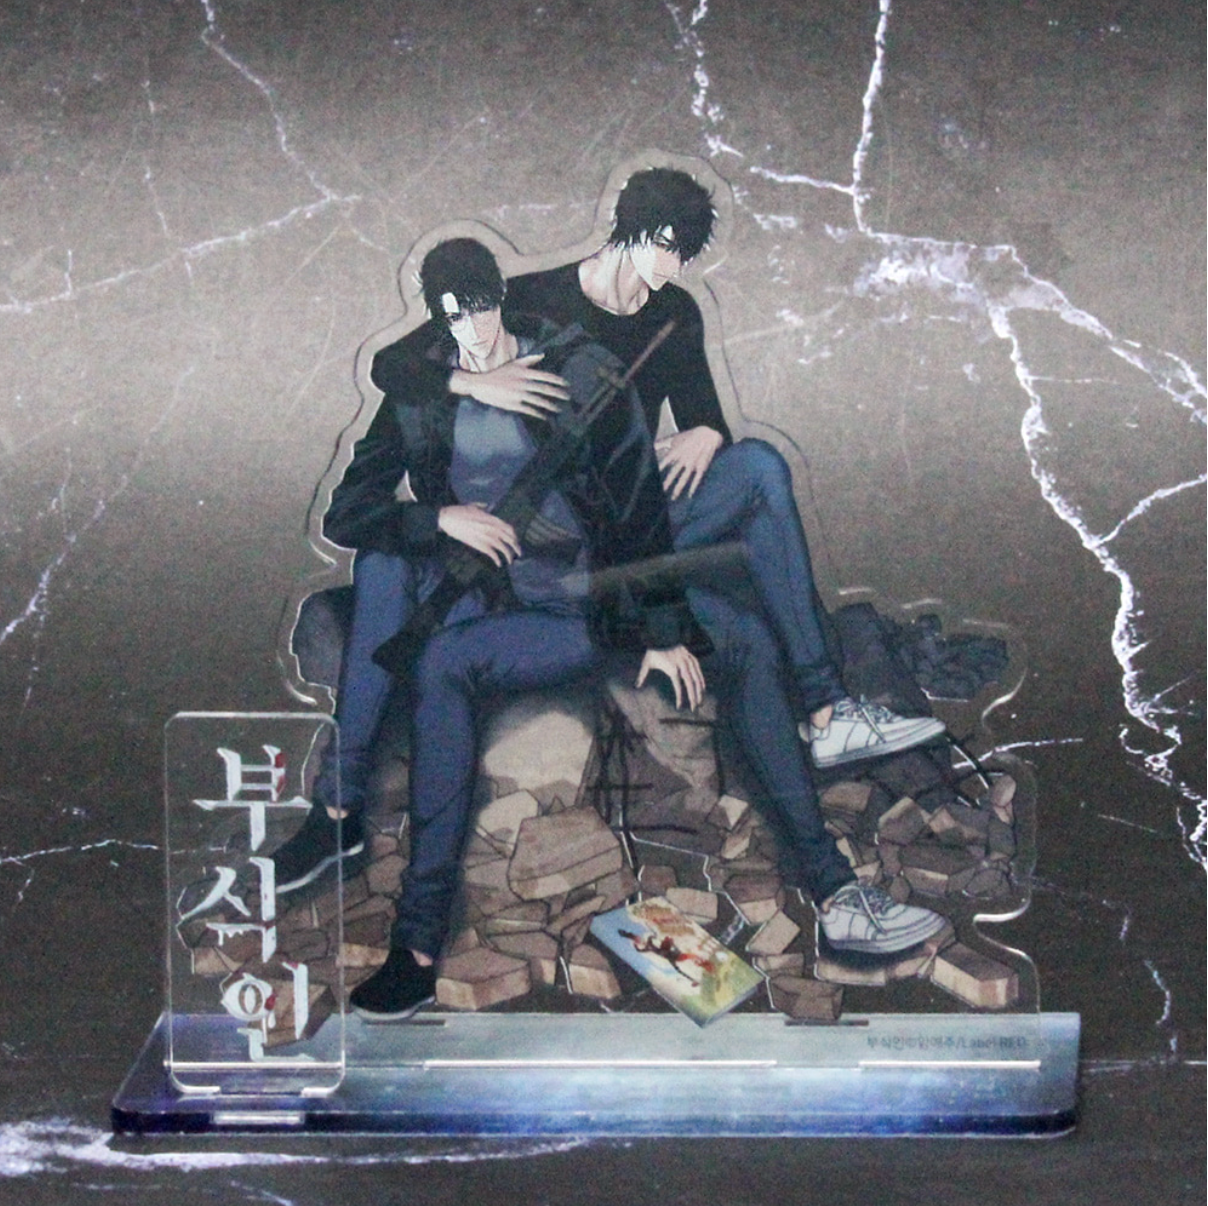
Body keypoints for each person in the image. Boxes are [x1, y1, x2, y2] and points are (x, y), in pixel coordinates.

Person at [275, 237, 948, 1020]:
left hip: (592, 598)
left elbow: (636, 509)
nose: (477, 332)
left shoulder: (578, 369)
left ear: (501, 300)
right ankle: (415, 947)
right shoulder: (422, 391)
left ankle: (836, 895)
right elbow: (349, 511)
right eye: (456, 319)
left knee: (744, 638)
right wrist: (440, 519)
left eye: (484, 309)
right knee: (426, 640)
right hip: (495, 602)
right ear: (438, 321)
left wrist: (662, 629)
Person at [372, 167, 945, 773]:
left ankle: (827, 710)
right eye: (666, 246)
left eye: (684, 253)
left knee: (758, 466)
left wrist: (708, 432)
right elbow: (391, 365)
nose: (674, 265)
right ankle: (820, 706)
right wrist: (476, 383)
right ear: (631, 228)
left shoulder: (675, 313)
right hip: (570, 534)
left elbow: (705, 419)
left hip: (643, 508)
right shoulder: (533, 297)